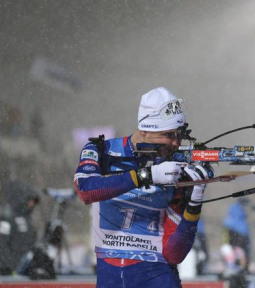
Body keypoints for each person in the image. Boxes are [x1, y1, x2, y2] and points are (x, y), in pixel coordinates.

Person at [74, 87, 210, 288]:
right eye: (168, 135)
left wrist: (194, 201)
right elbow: (86, 190)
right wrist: (146, 175)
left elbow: (174, 254)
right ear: (145, 130)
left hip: (159, 278)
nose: (175, 142)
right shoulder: (102, 150)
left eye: (178, 134)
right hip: (110, 279)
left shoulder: (176, 165)